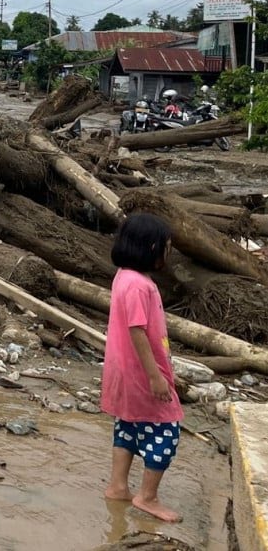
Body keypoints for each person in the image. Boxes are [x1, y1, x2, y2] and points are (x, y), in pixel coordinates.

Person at [101, 213, 184, 523]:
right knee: (166, 429)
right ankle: (147, 496)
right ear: (151, 247)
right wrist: (156, 376)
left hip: (122, 371)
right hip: (142, 374)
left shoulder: (124, 276)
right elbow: (137, 330)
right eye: (166, 247)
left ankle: (117, 486)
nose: (168, 253)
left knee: (129, 424)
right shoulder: (139, 286)